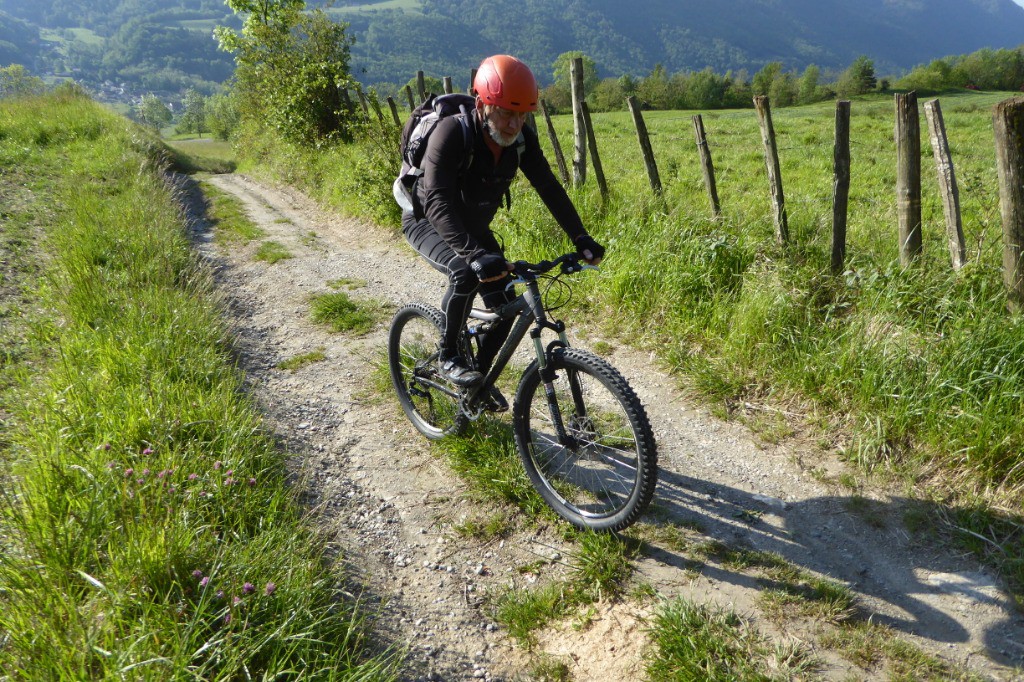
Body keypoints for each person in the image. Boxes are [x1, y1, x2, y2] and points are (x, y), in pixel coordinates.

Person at [401, 54, 604, 410]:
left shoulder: (521, 139)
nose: (514, 124)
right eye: (506, 113)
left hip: (474, 228)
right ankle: (449, 354)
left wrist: (580, 237)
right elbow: (435, 201)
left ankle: (476, 382)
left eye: (522, 114)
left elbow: (548, 186)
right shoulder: (452, 133)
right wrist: (475, 254)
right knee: (464, 272)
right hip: (427, 220)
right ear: (482, 104)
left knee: (507, 305)